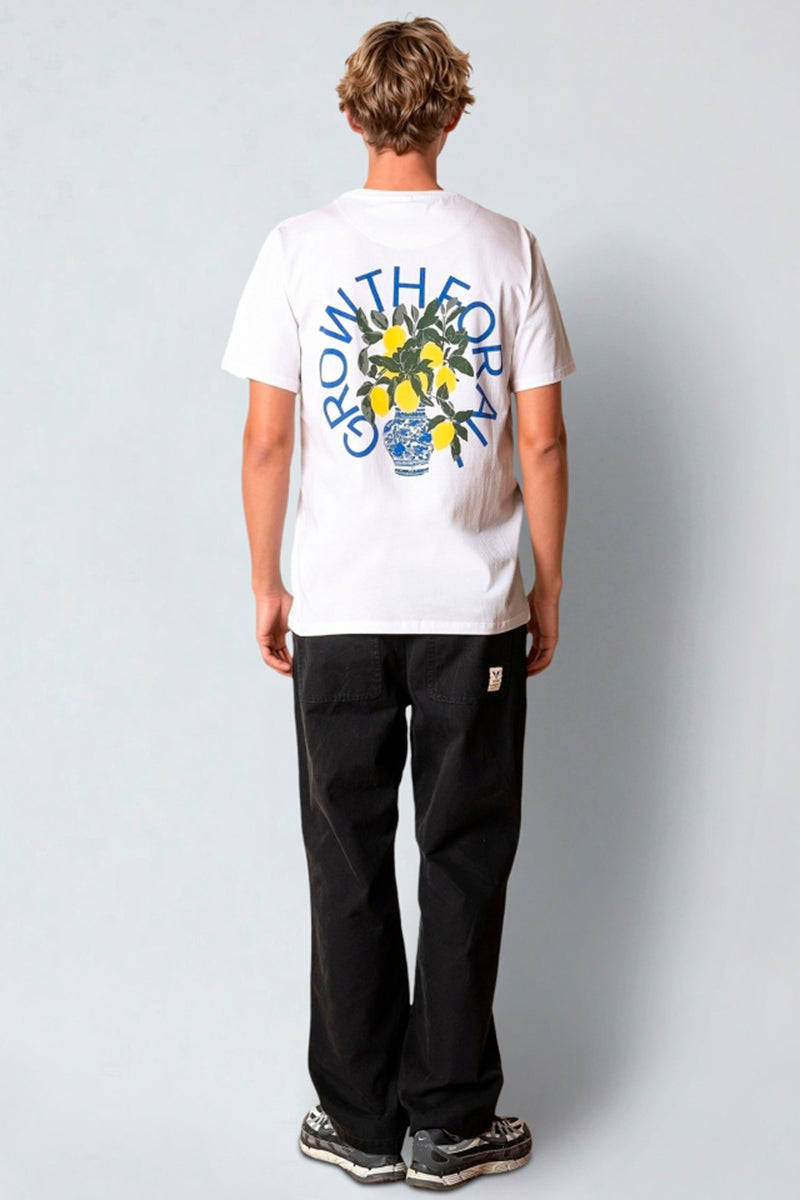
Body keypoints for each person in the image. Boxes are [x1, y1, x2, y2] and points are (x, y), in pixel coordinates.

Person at [220, 16, 576, 1190]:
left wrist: (266, 580)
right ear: (453, 115)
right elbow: (540, 441)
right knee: (461, 859)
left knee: (346, 858)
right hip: (470, 613)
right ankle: (450, 1123)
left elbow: (266, 439)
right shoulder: (507, 248)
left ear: (350, 113)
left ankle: (359, 1122)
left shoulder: (296, 248)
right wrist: (545, 581)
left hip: (336, 609)